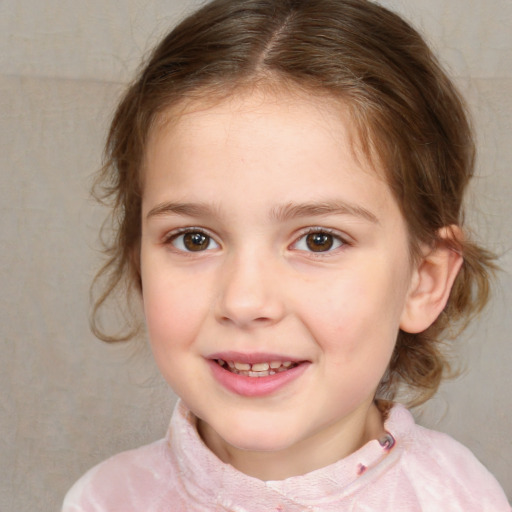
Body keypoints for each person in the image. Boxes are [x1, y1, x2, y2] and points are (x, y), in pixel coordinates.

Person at [62, 0, 511, 510]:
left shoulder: (459, 500)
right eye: (194, 239)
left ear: (422, 280)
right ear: (139, 261)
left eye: (319, 240)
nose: (246, 300)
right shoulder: (102, 501)